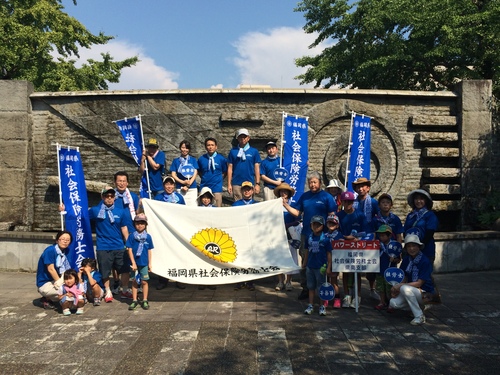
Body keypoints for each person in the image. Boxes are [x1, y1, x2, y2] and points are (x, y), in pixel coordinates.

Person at [282, 171, 336, 300]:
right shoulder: (304, 197)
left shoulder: (327, 197)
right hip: (306, 234)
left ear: (320, 183)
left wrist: (330, 231)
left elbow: (332, 215)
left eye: (315, 182)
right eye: (310, 182)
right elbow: (297, 213)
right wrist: (284, 204)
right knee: (305, 262)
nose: (312, 184)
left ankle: (323, 288)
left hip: (323, 236)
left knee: (323, 261)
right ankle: (306, 288)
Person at [88, 186, 129, 303]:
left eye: (111, 196)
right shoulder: (96, 211)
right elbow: (81, 214)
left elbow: (124, 227)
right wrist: (65, 209)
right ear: (102, 197)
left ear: (115, 198)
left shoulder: (120, 211)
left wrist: (128, 242)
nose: (109, 198)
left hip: (119, 245)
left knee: (125, 269)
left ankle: (124, 289)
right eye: (107, 196)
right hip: (103, 246)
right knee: (105, 271)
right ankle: (108, 290)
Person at [389, 234, 435, 325]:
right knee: (393, 303)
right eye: (409, 246)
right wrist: (397, 289)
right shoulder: (407, 260)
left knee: (404, 288)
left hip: (426, 293)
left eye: (414, 246)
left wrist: (400, 286)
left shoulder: (424, 261)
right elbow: (404, 276)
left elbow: (419, 283)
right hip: (413, 290)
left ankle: (419, 316)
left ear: (419, 247)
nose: (411, 249)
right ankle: (419, 307)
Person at [337, 191, 371, 308]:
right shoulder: (339, 215)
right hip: (343, 247)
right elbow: (335, 231)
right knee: (345, 271)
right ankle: (346, 296)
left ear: (353, 202)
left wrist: (357, 238)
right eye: (345, 201)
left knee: (357, 271)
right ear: (342, 202)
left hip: (357, 246)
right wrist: (344, 238)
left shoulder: (360, 215)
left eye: (350, 201)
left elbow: (366, 231)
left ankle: (358, 296)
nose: (347, 204)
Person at [154, 175, 186, 289]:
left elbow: (184, 213)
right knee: (164, 254)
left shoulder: (179, 198)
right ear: (163, 186)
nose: (169, 186)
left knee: (177, 254)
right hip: (163, 231)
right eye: (167, 184)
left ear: (174, 185)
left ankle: (179, 279)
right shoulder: (158, 198)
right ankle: (163, 280)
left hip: (176, 231)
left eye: (171, 184)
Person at [112, 171, 140, 299]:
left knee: (131, 258)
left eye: (124, 181)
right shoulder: (110, 196)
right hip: (115, 232)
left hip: (131, 231)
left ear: (127, 182)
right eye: (119, 181)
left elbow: (137, 214)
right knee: (117, 258)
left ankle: (133, 283)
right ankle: (117, 283)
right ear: (115, 182)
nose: (121, 183)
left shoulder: (133, 197)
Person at [352, 177, 380, 301]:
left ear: (368, 188)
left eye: (363, 186)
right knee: (355, 265)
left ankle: (372, 289)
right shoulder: (353, 202)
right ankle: (356, 292)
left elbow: (379, 218)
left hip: (370, 236)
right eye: (358, 186)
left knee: (370, 265)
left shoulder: (373, 202)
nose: (361, 188)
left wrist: (375, 233)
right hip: (356, 236)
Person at [302, 216, 333, 316]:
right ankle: (310, 305)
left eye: (318, 225)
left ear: (322, 226)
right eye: (314, 224)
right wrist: (304, 263)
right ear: (311, 225)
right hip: (310, 266)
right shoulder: (309, 237)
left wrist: (329, 267)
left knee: (321, 287)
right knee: (311, 286)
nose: (316, 226)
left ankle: (322, 306)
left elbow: (329, 253)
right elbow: (306, 251)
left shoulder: (325, 239)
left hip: (321, 267)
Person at [36, 230, 73, 309]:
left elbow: (68, 269)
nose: (65, 241)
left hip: (60, 279)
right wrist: (61, 285)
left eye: (68, 240)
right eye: (62, 239)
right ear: (57, 240)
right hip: (46, 282)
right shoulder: (50, 250)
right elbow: (51, 269)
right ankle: (47, 298)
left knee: (75, 290)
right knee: (69, 293)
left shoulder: (67, 251)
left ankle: (52, 297)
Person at [274, 183, 300, 292]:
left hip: (291, 235)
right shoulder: (274, 205)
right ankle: (280, 281)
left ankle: (289, 281)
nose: (283, 193)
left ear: (289, 194)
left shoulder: (294, 205)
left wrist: (289, 225)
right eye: (281, 192)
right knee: (279, 257)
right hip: (278, 235)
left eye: (285, 192)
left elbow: (298, 218)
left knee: (291, 257)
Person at [232, 181, 257, 290]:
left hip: (252, 236)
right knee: (239, 258)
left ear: (252, 190)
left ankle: (250, 281)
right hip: (240, 235)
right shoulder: (236, 204)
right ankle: (240, 280)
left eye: (249, 189)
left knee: (251, 259)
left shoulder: (257, 205)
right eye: (244, 189)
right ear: (241, 191)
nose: (246, 191)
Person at [126, 213, 154, 310]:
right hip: (134, 263)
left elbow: (149, 250)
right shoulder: (131, 236)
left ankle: (145, 300)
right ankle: (134, 300)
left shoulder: (148, 237)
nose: (140, 225)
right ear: (134, 224)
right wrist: (133, 262)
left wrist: (150, 263)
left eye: (142, 223)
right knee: (134, 281)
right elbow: (129, 249)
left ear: (146, 225)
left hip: (144, 263)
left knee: (144, 282)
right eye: (138, 223)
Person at [404, 189, 439, 263]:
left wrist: (419, 246)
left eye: (421, 199)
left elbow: (430, 233)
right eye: (416, 198)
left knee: (425, 273)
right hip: (411, 251)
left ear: (426, 201)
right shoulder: (410, 216)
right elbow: (405, 232)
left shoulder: (430, 215)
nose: (418, 201)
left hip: (426, 249)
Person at [227, 128, 261, 200]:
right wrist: (229, 184)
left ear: (248, 138)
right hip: (236, 182)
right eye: (240, 137)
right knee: (238, 206)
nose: (243, 139)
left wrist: (257, 183)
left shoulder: (254, 151)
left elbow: (257, 168)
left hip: (249, 182)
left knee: (249, 206)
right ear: (237, 138)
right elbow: (230, 168)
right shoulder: (233, 151)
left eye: (244, 137)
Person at [373, 225, 402, 311]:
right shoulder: (377, 244)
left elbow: (398, 259)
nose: (381, 237)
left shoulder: (394, 245)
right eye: (380, 235)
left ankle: (391, 303)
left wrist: (394, 259)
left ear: (389, 235)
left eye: (383, 235)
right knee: (380, 288)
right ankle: (382, 302)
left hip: (390, 271)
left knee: (390, 288)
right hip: (379, 269)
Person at [196, 187, 218, 290]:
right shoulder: (196, 210)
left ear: (211, 199)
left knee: (212, 259)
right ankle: (202, 281)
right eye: (203, 197)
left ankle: (212, 281)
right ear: (200, 199)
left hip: (213, 237)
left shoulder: (215, 209)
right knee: (201, 259)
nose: (205, 200)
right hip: (201, 238)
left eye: (208, 198)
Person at [197, 137, 227, 207]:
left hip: (216, 187)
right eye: (208, 145)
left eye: (212, 145)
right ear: (205, 147)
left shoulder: (221, 159)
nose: (210, 147)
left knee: (217, 210)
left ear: (216, 147)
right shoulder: (201, 159)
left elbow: (224, 172)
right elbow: (200, 172)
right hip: (204, 187)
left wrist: (218, 179)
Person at [170, 140, 199, 206]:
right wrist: (183, 182)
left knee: (193, 206)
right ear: (180, 148)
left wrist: (188, 185)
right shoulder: (176, 161)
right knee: (181, 206)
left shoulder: (193, 160)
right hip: (180, 188)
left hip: (192, 188)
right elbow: (173, 174)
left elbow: (195, 173)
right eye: (183, 147)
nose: (184, 150)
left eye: (186, 148)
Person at [325, 213, 343, 308]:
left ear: (337, 225)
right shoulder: (324, 235)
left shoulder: (339, 235)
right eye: (329, 223)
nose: (331, 225)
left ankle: (337, 299)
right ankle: (326, 298)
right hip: (325, 260)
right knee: (325, 281)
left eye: (333, 223)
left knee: (334, 280)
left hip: (335, 261)